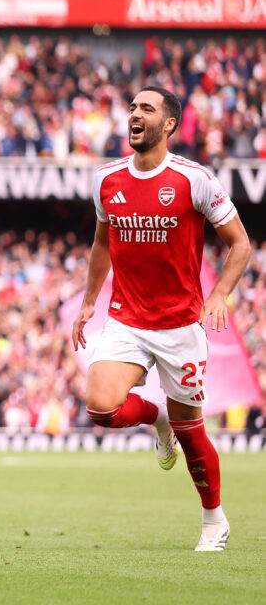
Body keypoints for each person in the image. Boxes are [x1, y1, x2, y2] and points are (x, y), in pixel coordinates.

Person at [72, 86, 251, 552]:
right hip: (127, 318)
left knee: (193, 431)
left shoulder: (195, 180)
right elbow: (101, 243)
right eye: (132, 107)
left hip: (180, 325)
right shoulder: (106, 179)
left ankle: (214, 521)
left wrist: (218, 297)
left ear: (168, 125)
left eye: (146, 109)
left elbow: (241, 243)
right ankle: (158, 420)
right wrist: (90, 300)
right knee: (101, 407)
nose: (135, 114)